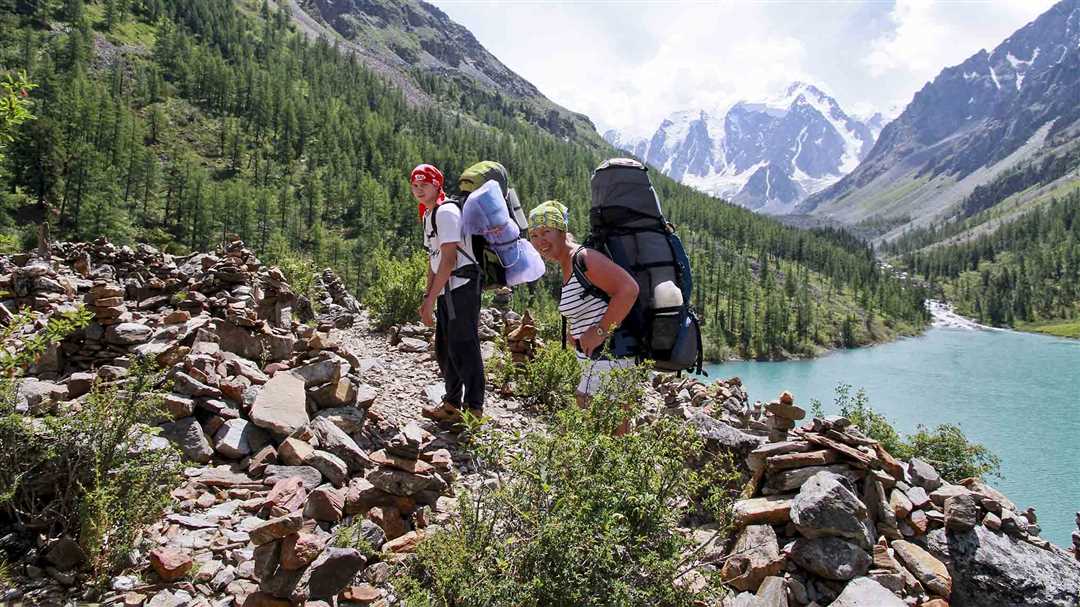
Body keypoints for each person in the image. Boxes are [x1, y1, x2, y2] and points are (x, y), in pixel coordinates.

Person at [527, 200, 639, 434]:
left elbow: (628, 289)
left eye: (546, 232)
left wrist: (599, 331)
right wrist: (575, 330)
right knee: (602, 429)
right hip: (596, 360)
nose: (540, 241)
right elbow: (591, 301)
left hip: (612, 356)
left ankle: (610, 470)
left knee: (607, 429)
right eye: (534, 235)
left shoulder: (584, 258)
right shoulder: (567, 263)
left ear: (562, 232)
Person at [410, 164, 485, 425]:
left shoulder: (446, 212)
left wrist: (431, 300)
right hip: (447, 288)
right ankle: (452, 404)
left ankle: (475, 410)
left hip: (462, 285)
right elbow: (434, 258)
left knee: (465, 346)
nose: (419, 189)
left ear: (436, 185)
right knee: (445, 348)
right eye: (415, 185)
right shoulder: (428, 215)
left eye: (425, 184)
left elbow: (450, 259)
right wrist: (428, 294)